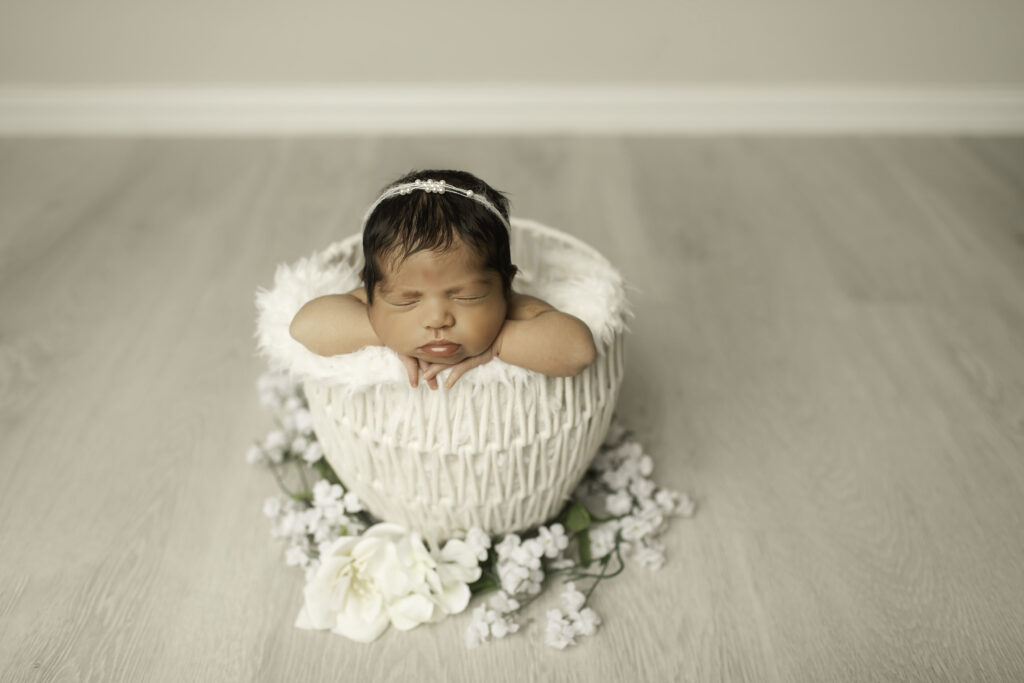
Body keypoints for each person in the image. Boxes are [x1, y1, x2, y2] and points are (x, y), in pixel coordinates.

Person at [289, 169, 596, 390]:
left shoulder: (514, 310)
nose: (437, 319)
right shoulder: (371, 305)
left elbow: (578, 351)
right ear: (369, 291)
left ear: (506, 284)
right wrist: (387, 332)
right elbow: (304, 326)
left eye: (468, 296)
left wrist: (498, 342)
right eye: (405, 300)